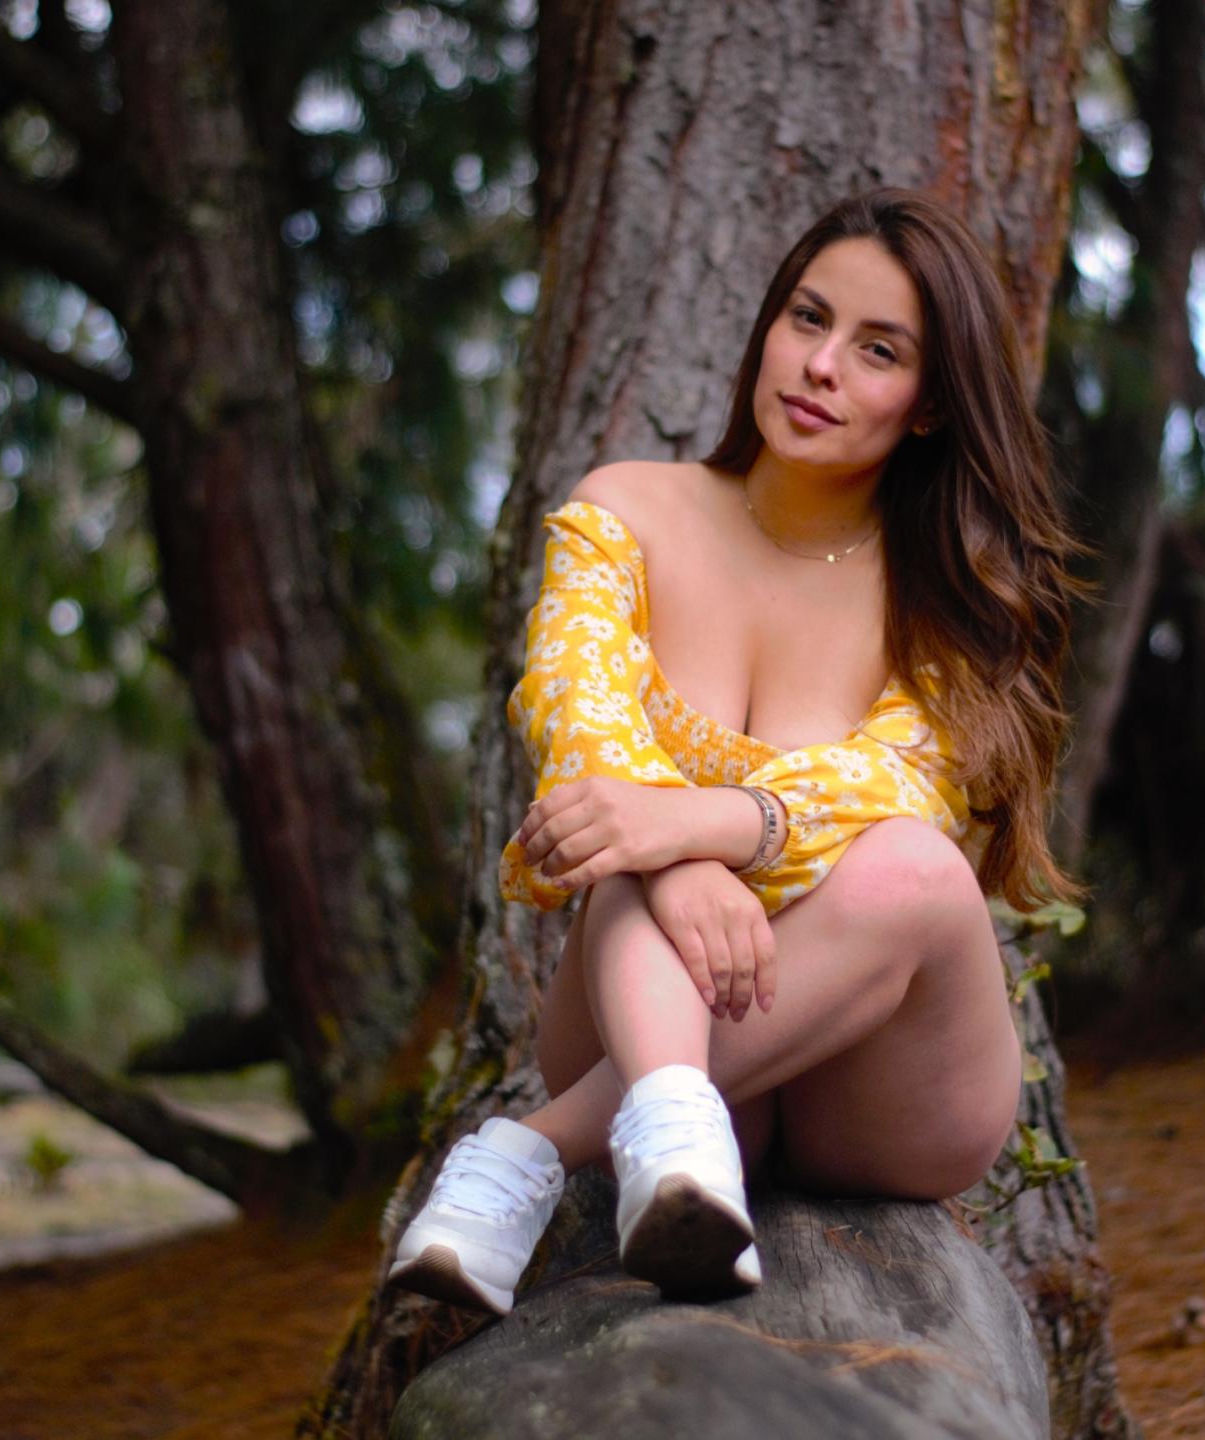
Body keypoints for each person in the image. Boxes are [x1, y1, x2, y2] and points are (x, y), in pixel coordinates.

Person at [386, 187, 1094, 1316]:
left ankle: (527, 1151)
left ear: (928, 405)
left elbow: (901, 786)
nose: (820, 366)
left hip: (887, 1089)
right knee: (621, 841)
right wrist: (671, 862)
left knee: (913, 867)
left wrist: (699, 826)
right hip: (678, 1026)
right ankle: (675, 1140)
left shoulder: (947, 596)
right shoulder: (627, 511)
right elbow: (578, 724)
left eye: (877, 350)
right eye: (807, 318)